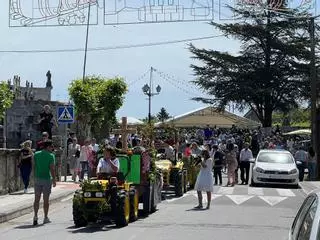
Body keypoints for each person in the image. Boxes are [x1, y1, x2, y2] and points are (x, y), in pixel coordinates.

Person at [33, 140, 56, 225]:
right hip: (46, 179)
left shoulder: (36, 154)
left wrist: (34, 176)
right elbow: (52, 169)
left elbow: (34, 166)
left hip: (37, 178)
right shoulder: (51, 156)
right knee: (46, 200)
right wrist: (54, 180)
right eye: (51, 147)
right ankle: (45, 217)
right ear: (48, 147)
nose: (52, 148)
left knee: (36, 199)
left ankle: (35, 216)